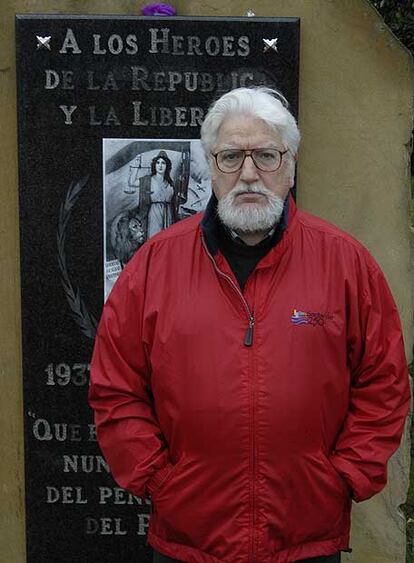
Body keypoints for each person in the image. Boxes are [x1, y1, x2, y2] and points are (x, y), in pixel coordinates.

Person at [89, 87, 410, 563]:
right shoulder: (155, 264)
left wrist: (343, 476)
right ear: (210, 165)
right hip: (189, 540)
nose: (249, 173)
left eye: (266, 155)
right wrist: (158, 479)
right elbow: (116, 387)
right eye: (231, 157)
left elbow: (383, 382)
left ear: (291, 162)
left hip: (305, 538)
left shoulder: (345, 263)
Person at [137, 150, 175, 239]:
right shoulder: (148, 180)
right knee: (154, 238)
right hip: (154, 213)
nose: (160, 165)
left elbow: (174, 203)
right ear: (155, 165)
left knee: (167, 239)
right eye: (158, 163)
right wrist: (135, 165)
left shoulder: (170, 183)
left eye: (163, 163)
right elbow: (131, 183)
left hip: (168, 214)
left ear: (167, 166)